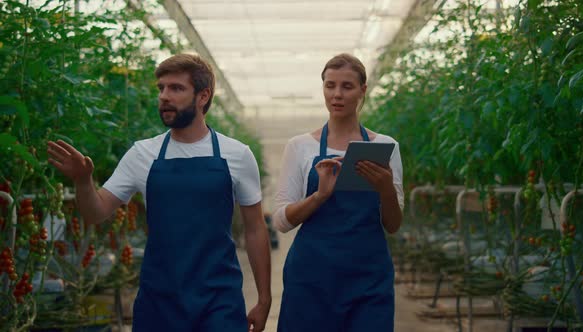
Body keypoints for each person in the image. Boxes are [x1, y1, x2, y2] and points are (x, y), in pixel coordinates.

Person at [47, 54, 271, 332]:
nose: (164, 96)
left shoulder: (236, 154)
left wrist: (264, 299)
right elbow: (96, 213)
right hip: (159, 301)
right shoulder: (143, 153)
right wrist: (83, 182)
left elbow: (255, 229)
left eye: (176, 88)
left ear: (203, 97)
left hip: (219, 301)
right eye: (161, 88)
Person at [272, 53, 404, 331]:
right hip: (311, 277)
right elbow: (281, 221)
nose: (337, 94)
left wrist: (385, 189)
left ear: (362, 90)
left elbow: (393, 225)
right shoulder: (300, 147)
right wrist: (319, 195)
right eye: (330, 85)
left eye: (347, 86)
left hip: (369, 278)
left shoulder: (384, 147)